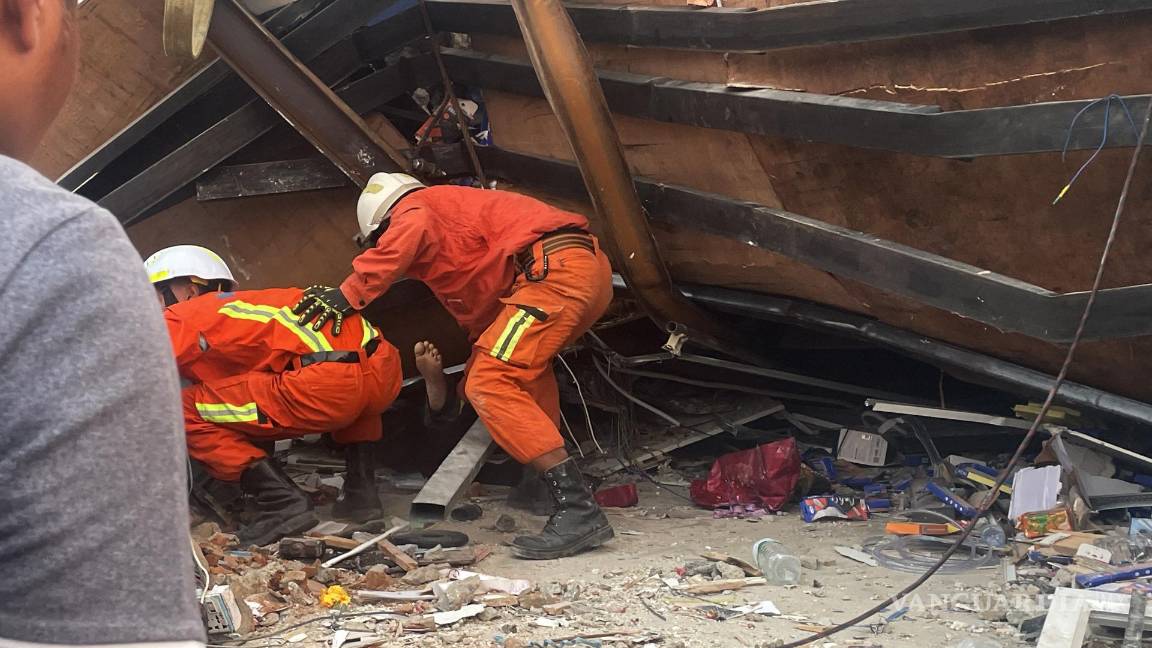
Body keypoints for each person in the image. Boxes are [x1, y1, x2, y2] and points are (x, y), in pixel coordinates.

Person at [0, 1, 206, 645]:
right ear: (25, 14)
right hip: (348, 401)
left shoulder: (55, 254)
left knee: (209, 415)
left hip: (311, 403)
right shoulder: (50, 246)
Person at [293, 174, 614, 560]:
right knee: (516, 373)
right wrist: (469, 378)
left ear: (384, 225)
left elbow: (408, 230)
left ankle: (578, 509)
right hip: (572, 271)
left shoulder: (417, 208)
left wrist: (348, 293)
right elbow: (484, 316)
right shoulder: (453, 234)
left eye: (382, 242)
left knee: (492, 381)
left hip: (553, 274)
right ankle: (539, 486)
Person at [146, 245, 403, 546]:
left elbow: (135, 364)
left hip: (326, 386)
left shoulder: (182, 315)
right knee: (346, 382)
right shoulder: (256, 308)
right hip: (383, 371)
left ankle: (283, 503)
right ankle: (362, 497)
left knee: (180, 409)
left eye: (153, 295)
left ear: (188, 289)